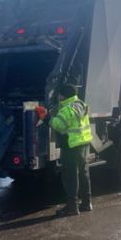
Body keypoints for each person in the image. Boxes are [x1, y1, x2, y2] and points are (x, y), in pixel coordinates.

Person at [36, 83, 93, 216]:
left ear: (63, 96)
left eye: (60, 95)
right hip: (83, 144)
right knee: (84, 173)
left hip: (71, 146)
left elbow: (59, 125)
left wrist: (45, 117)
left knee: (70, 176)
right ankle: (87, 203)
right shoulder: (80, 104)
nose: (59, 97)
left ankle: (72, 207)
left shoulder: (67, 109)